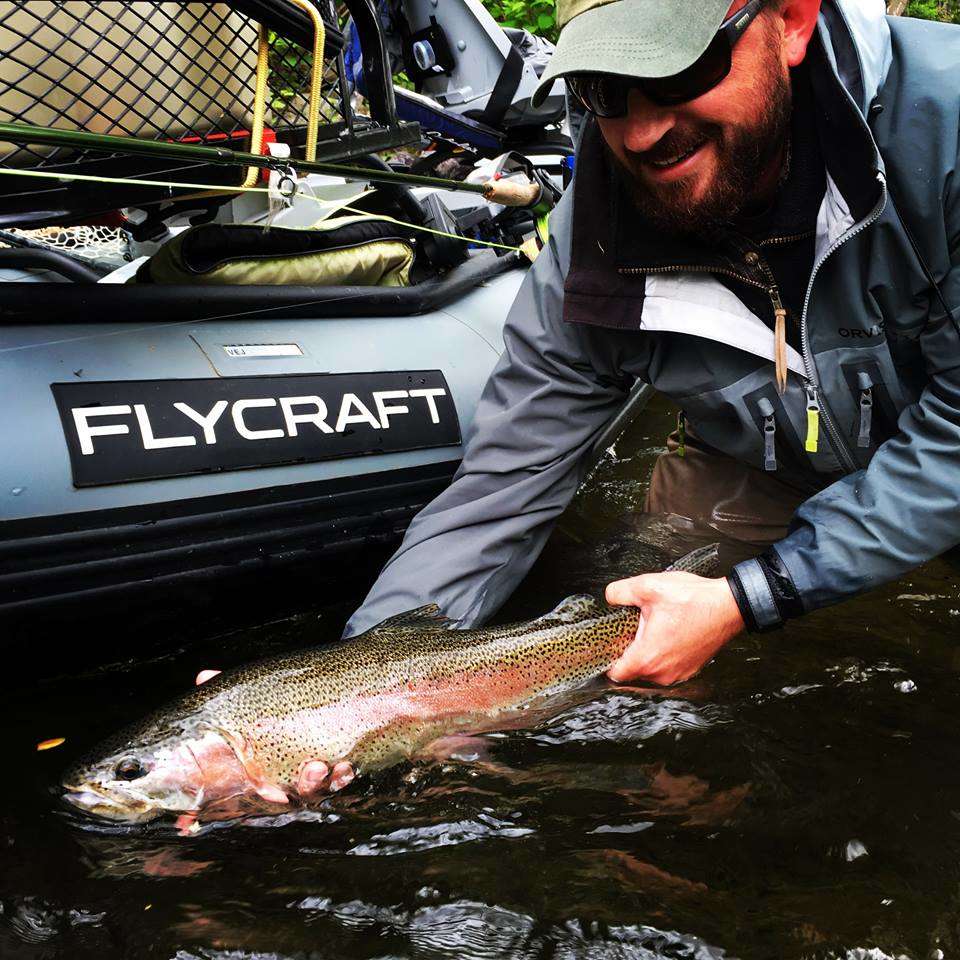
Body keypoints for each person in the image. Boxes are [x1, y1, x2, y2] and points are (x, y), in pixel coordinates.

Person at [342, 0, 960, 687]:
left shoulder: (946, 129)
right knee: (628, 628)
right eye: (605, 88)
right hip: (761, 461)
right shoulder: (594, 239)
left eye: (678, 69)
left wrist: (759, 594)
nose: (641, 134)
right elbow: (502, 485)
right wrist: (353, 686)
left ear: (792, 21)